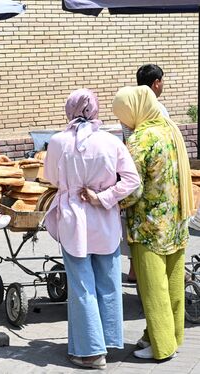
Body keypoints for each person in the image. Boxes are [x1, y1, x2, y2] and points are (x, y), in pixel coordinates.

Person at [44, 89, 140, 369]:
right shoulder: (111, 141)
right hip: (105, 217)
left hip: (74, 218)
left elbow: (50, 177)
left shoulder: (58, 141)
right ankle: (108, 343)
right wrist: (104, 197)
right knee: (108, 282)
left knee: (81, 286)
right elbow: (131, 180)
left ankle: (90, 352)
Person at [113, 85, 194, 360]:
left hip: (149, 227)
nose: (123, 121)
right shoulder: (171, 129)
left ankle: (161, 347)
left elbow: (132, 189)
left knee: (152, 289)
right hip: (177, 221)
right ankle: (172, 338)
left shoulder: (140, 139)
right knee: (173, 285)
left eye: (123, 114)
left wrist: (111, 203)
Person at [124, 63, 170, 282]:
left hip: (135, 169)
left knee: (135, 222)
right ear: (156, 83)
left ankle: (135, 270)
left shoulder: (130, 108)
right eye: (162, 81)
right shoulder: (158, 111)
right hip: (156, 175)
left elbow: (127, 141)